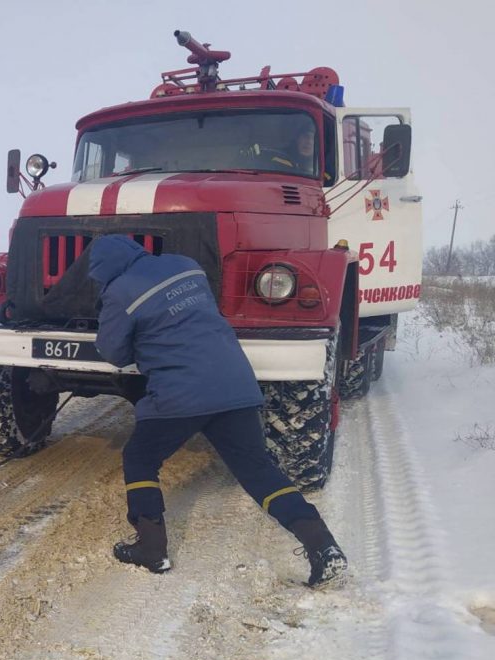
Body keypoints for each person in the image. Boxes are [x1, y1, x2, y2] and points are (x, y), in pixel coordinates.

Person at [87, 234, 347, 588]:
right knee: (258, 471)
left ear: (103, 270)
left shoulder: (119, 291)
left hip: (180, 393)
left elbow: (114, 353)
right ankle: (324, 548)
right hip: (235, 385)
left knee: (140, 457)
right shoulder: (186, 267)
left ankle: (151, 548)